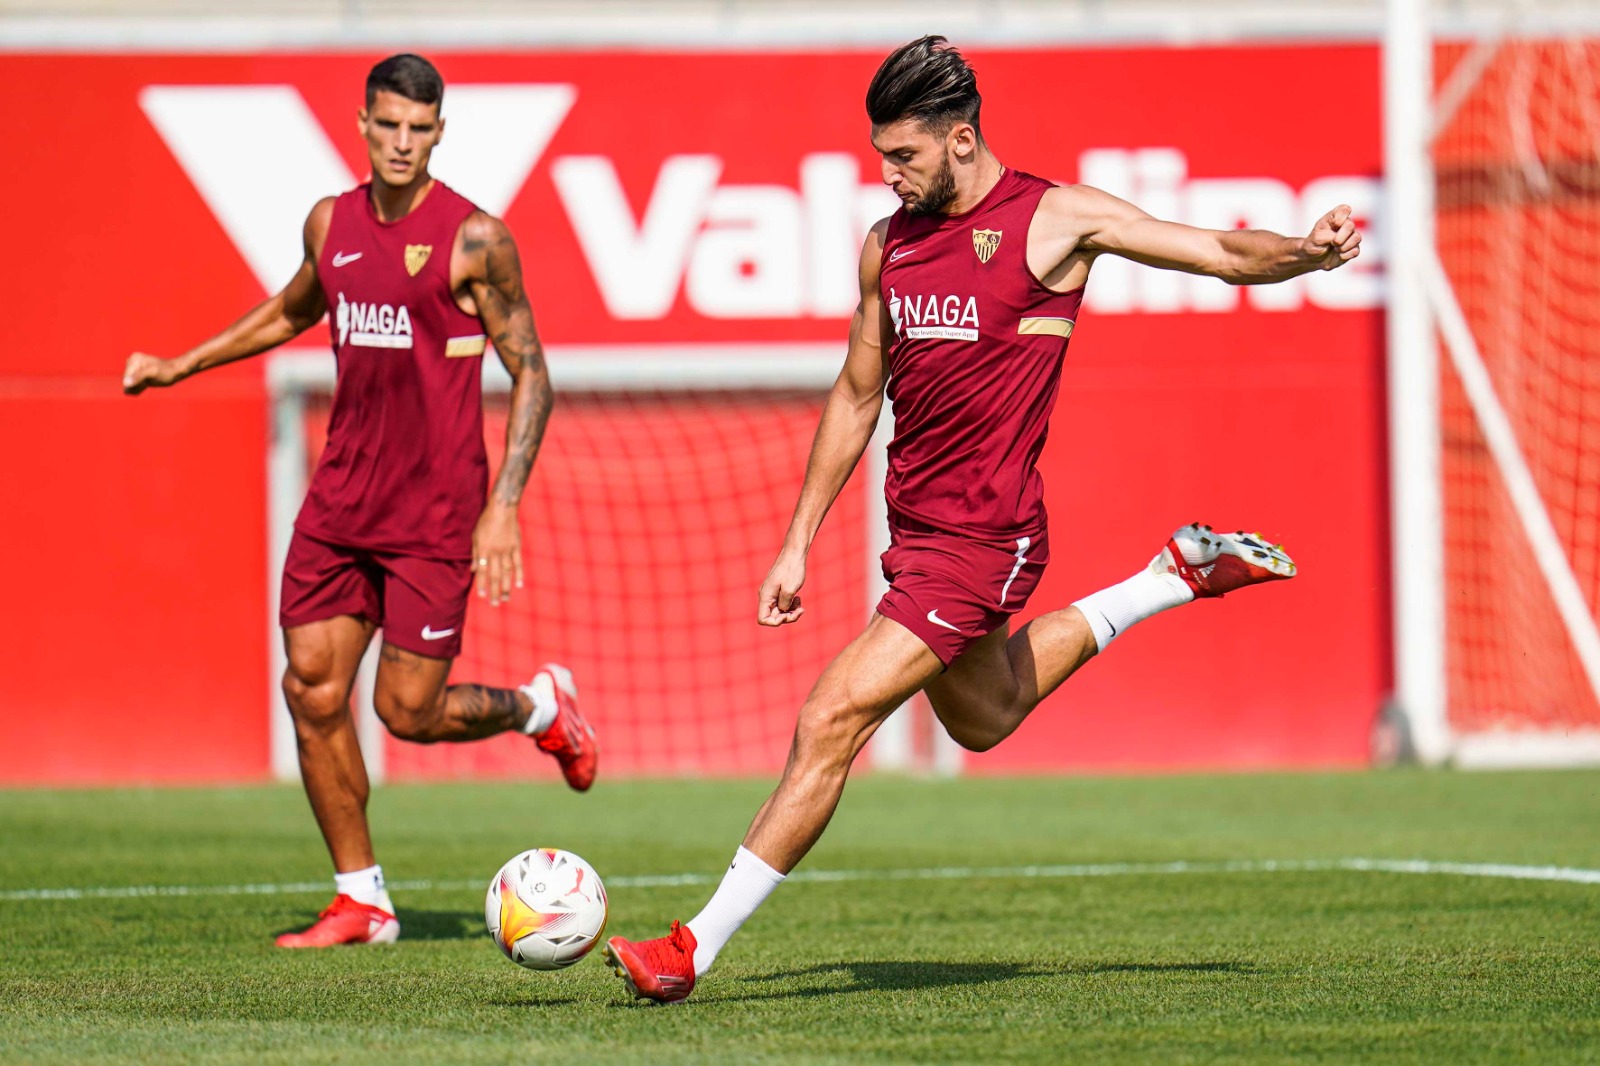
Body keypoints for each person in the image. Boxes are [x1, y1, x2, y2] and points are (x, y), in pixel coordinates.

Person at [602, 35, 1359, 1003]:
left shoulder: (1054, 220)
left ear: (960, 139)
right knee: (985, 718)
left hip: (984, 541)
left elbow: (1213, 250)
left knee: (830, 716)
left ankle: (688, 950)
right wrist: (796, 539)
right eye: (882, 155)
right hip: (915, 537)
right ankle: (1170, 574)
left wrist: (1305, 251)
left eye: (904, 155)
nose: (888, 173)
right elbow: (853, 392)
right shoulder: (887, 243)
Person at [122, 54, 598, 948]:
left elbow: (531, 368)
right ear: (363, 123)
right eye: (389, 126)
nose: (403, 144)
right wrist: (182, 362)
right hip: (340, 504)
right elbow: (291, 309)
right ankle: (364, 901)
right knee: (310, 688)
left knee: (405, 714)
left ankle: (540, 708)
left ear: (439, 134)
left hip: (434, 513)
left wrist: (503, 507)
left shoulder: (475, 239)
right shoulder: (330, 223)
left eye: (420, 130)